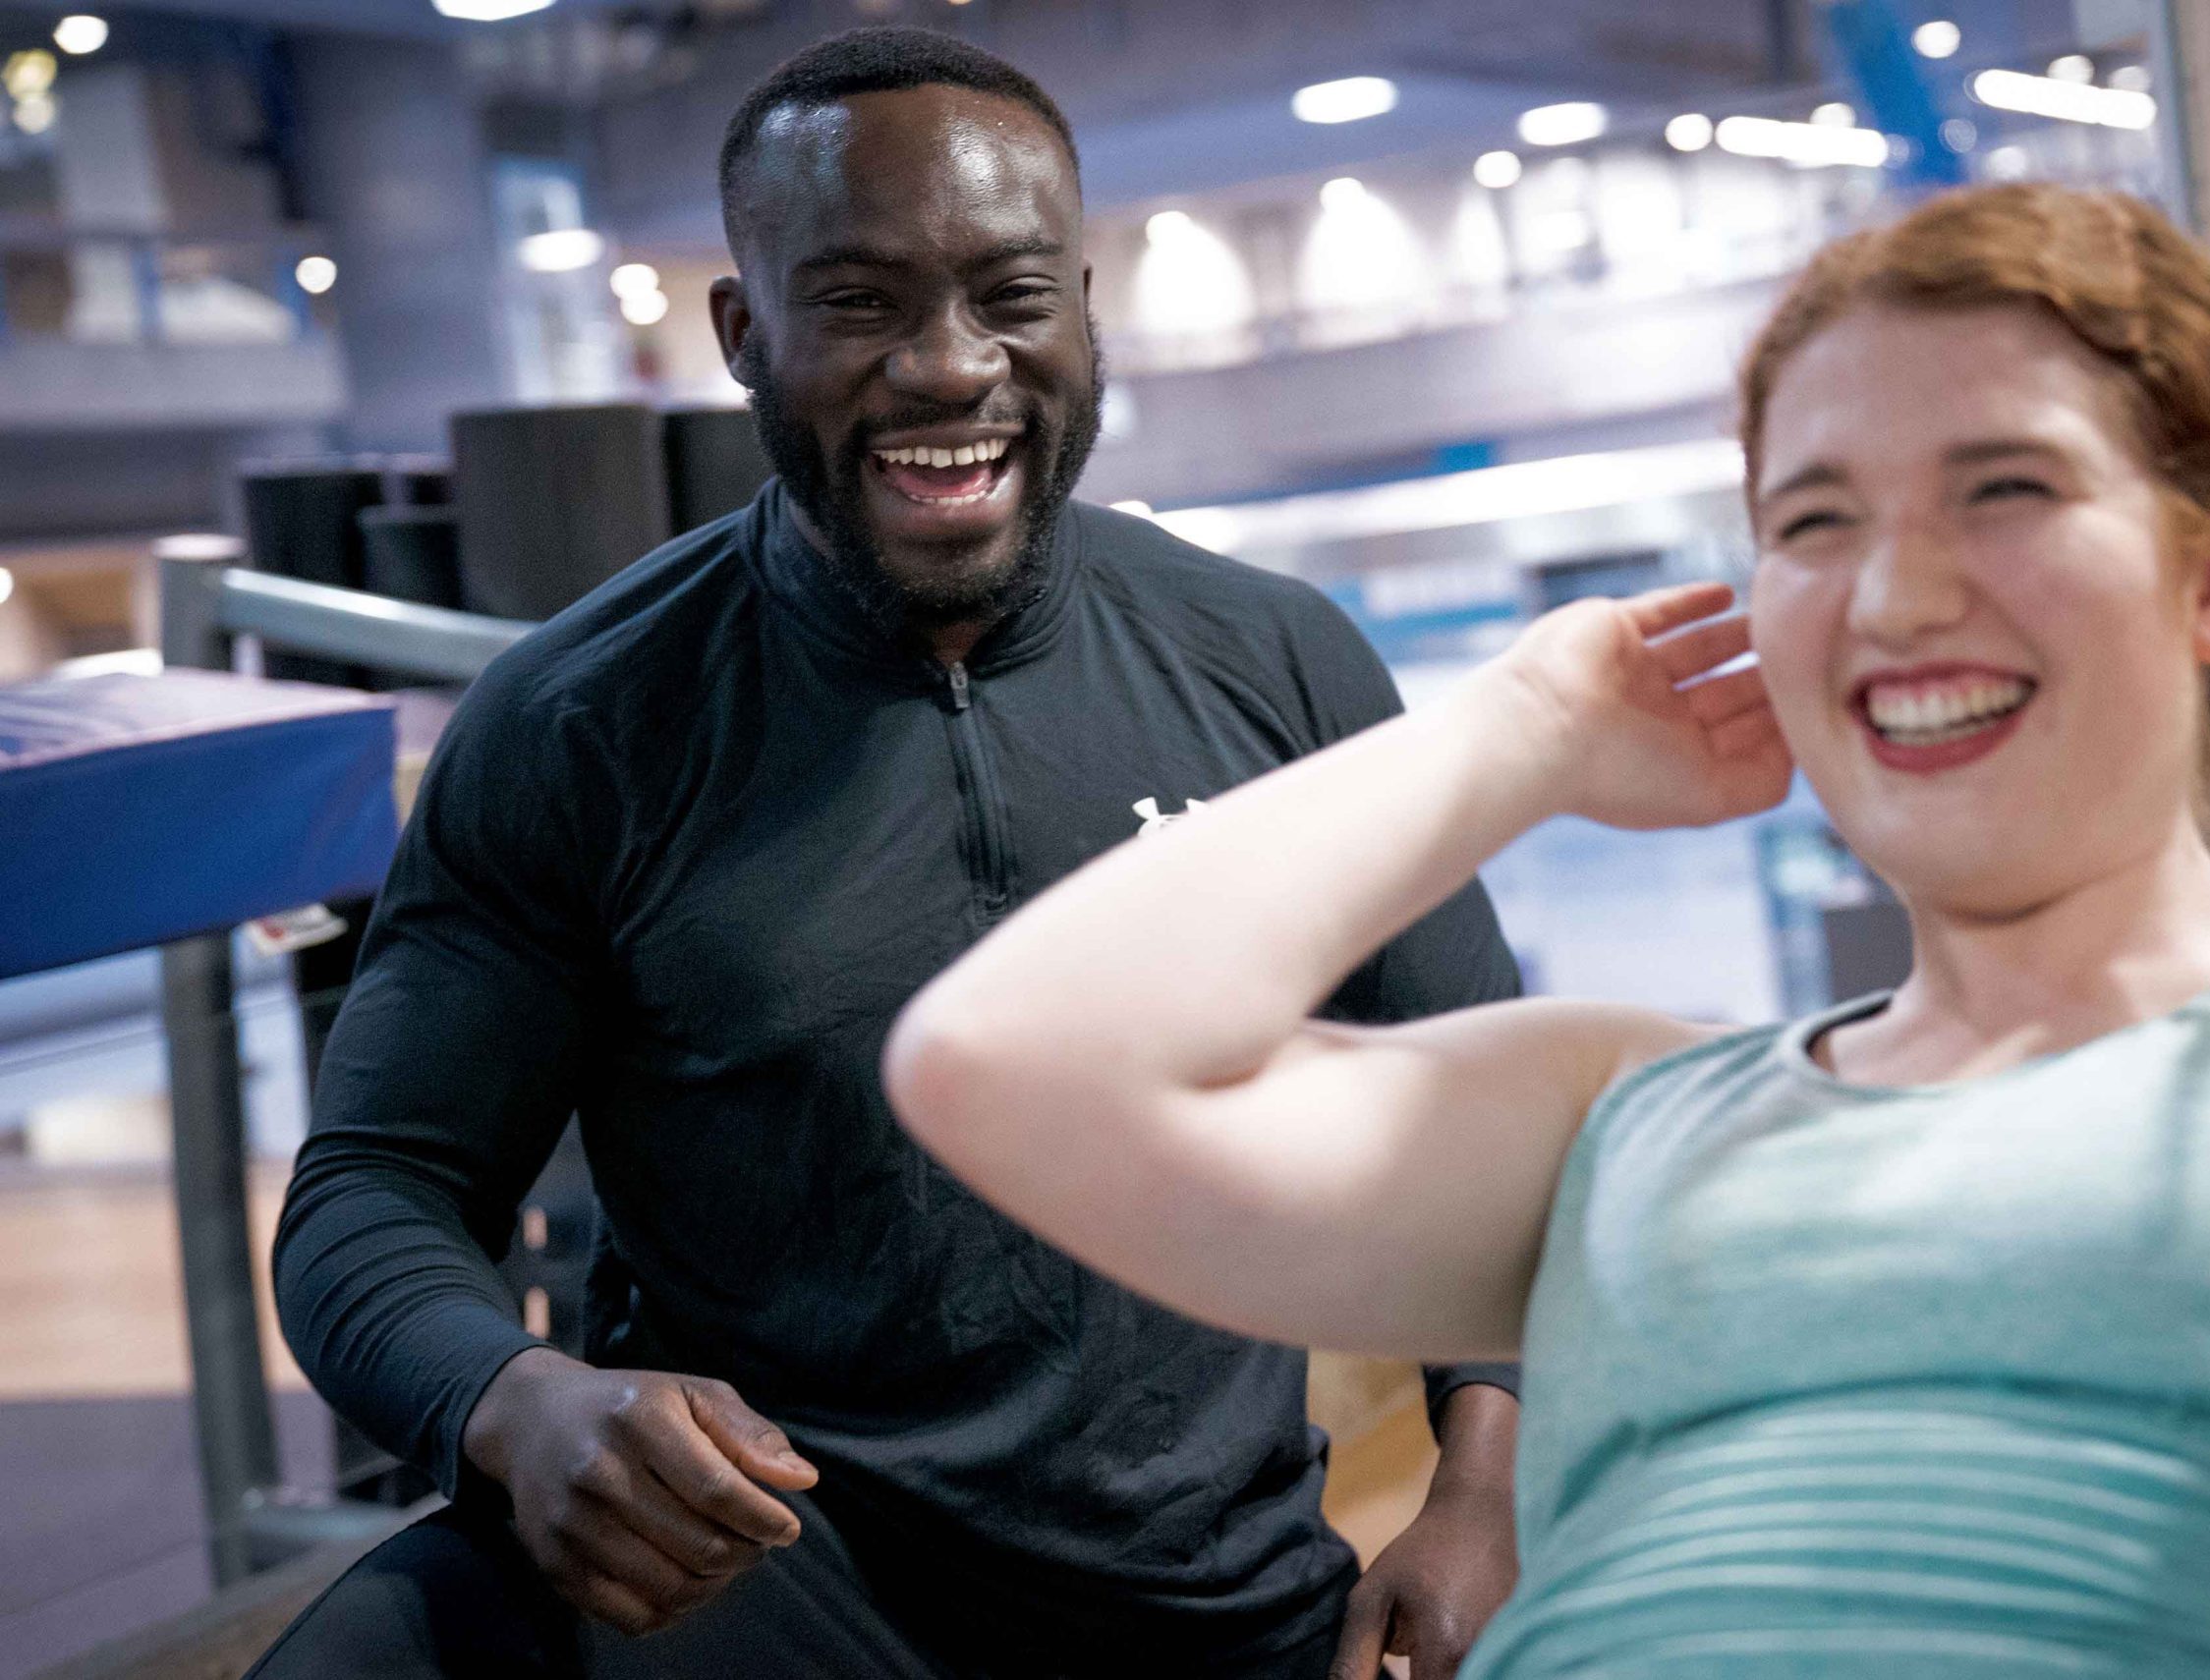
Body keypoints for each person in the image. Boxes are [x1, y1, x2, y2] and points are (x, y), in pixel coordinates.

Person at [885, 183, 2210, 1677]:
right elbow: (1008, 1065)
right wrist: (1521, 727)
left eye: (2004, 487)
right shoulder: (1628, 1108)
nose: (1890, 598)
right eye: (1814, 520)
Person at [255, 27, 1524, 1680]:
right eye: (859, 301)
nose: (947, 366)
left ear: (1084, 305)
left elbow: (1484, 1115)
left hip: (1209, 1603)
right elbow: (375, 1191)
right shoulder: (585, 720)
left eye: (1011, 294)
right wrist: (514, 1399)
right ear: (742, 332)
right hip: (760, 1577)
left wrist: (1483, 1486)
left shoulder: (1276, 668)